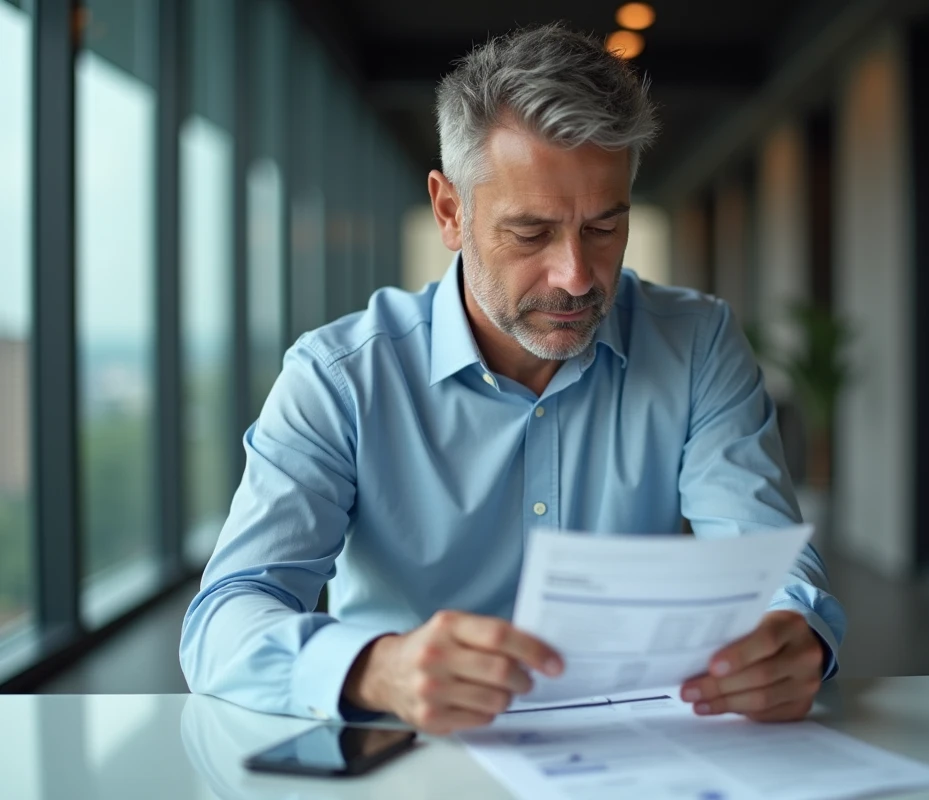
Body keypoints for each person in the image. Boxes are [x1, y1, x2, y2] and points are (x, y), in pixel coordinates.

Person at [180, 23, 846, 736]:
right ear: (449, 211)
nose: (577, 276)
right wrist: (380, 668)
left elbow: (768, 563)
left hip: (633, 754)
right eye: (531, 233)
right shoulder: (340, 378)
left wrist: (791, 634)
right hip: (409, 759)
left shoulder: (698, 343)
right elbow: (226, 616)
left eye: (604, 228)